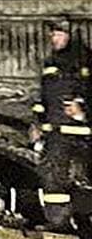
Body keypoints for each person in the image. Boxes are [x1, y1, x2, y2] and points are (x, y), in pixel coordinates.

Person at [31, 17, 91, 228]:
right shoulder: (50, 63)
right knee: (53, 179)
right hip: (55, 135)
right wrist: (37, 123)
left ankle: (84, 221)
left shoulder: (86, 64)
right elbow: (42, 98)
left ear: (70, 35)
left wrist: (83, 113)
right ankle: (58, 226)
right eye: (52, 33)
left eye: (57, 33)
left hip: (83, 135)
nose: (52, 38)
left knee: (84, 179)